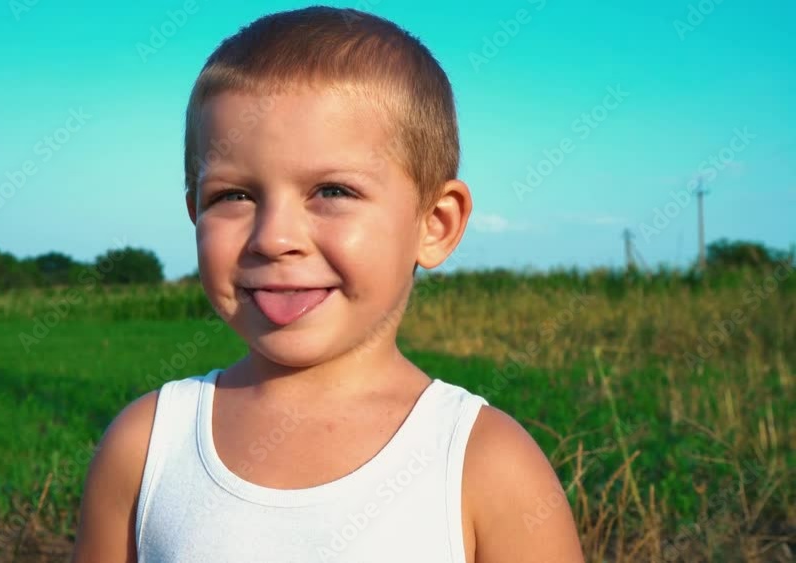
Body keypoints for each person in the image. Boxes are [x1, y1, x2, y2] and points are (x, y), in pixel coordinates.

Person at [72, 6, 583, 562]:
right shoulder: (145, 448)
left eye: (332, 191)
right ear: (195, 213)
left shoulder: (485, 466)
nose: (274, 238)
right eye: (233, 196)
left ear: (435, 224)